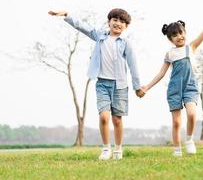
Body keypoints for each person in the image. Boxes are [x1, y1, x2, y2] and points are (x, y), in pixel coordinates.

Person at [48, 8, 145, 160]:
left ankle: (118, 149)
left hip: (120, 86)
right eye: (115, 20)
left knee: (117, 119)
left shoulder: (126, 43)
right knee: (104, 117)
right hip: (102, 84)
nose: (118, 23)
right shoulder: (100, 36)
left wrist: (137, 86)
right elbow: (82, 26)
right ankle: (106, 148)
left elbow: (133, 66)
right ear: (109, 22)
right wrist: (67, 15)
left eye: (122, 22)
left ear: (126, 26)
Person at [141, 5, 203, 156]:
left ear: (185, 33)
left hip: (190, 87)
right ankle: (177, 149)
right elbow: (161, 73)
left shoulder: (191, 47)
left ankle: (189, 140)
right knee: (176, 122)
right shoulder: (169, 54)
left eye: (181, 33)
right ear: (170, 39)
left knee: (192, 114)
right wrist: (146, 87)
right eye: (175, 35)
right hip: (174, 89)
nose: (179, 36)